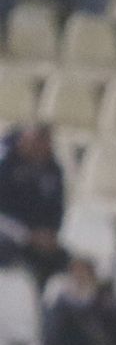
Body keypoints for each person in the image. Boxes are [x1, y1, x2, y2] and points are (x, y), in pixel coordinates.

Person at [0, 122, 68, 291]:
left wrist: (50, 234)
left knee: (61, 259)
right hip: (9, 233)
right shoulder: (5, 165)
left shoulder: (52, 171)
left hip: (38, 237)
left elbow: (57, 208)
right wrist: (26, 235)